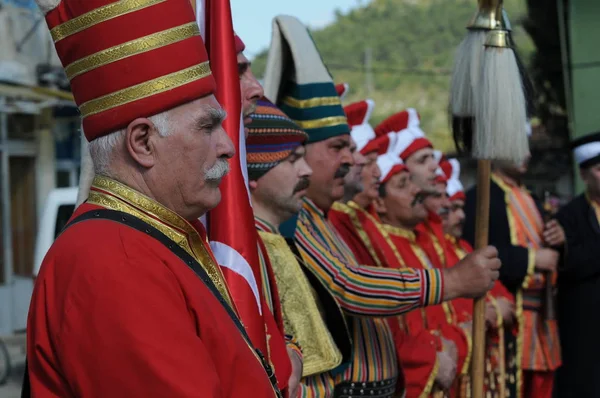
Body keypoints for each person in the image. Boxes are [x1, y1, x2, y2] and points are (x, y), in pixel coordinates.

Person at [26, 0, 281, 397]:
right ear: (143, 142)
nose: (229, 147)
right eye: (208, 127)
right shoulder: (113, 259)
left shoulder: (158, 237)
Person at [264, 14, 501, 397]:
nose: (353, 160)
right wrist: (453, 281)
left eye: (352, 148)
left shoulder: (317, 218)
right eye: (338, 148)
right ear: (299, 155)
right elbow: (348, 286)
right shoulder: (293, 219)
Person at [329, 100, 442, 397]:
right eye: (367, 162)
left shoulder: (356, 220)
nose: (376, 173)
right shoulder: (337, 220)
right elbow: (353, 289)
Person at [247, 97, 352, 396]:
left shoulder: (273, 241)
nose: (306, 170)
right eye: (293, 159)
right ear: (255, 173)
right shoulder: (248, 252)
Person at [464, 156, 562, 398]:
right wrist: (531, 259)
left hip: (542, 318)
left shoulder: (531, 197)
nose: (526, 154)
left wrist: (561, 240)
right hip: (509, 314)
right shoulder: (481, 196)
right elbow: (474, 252)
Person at [442, 158, 517, 398]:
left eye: (461, 208)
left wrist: (491, 309)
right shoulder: (436, 247)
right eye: (451, 209)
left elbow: (503, 297)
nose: (461, 216)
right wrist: (489, 313)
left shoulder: (463, 246)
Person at [554, 131, 600, 398]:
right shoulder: (567, 218)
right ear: (584, 175)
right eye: (598, 168)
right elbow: (570, 264)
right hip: (585, 331)